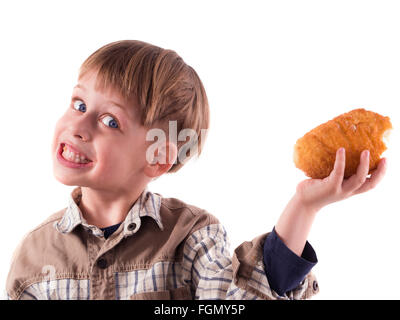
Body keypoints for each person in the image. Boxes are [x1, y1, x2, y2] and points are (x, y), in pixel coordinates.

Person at [5, 40, 387, 300]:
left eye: (110, 121)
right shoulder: (33, 257)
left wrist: (304, 207)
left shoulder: (192, 237)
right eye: (78, 104)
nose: (78, 126)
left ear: (158, 156)